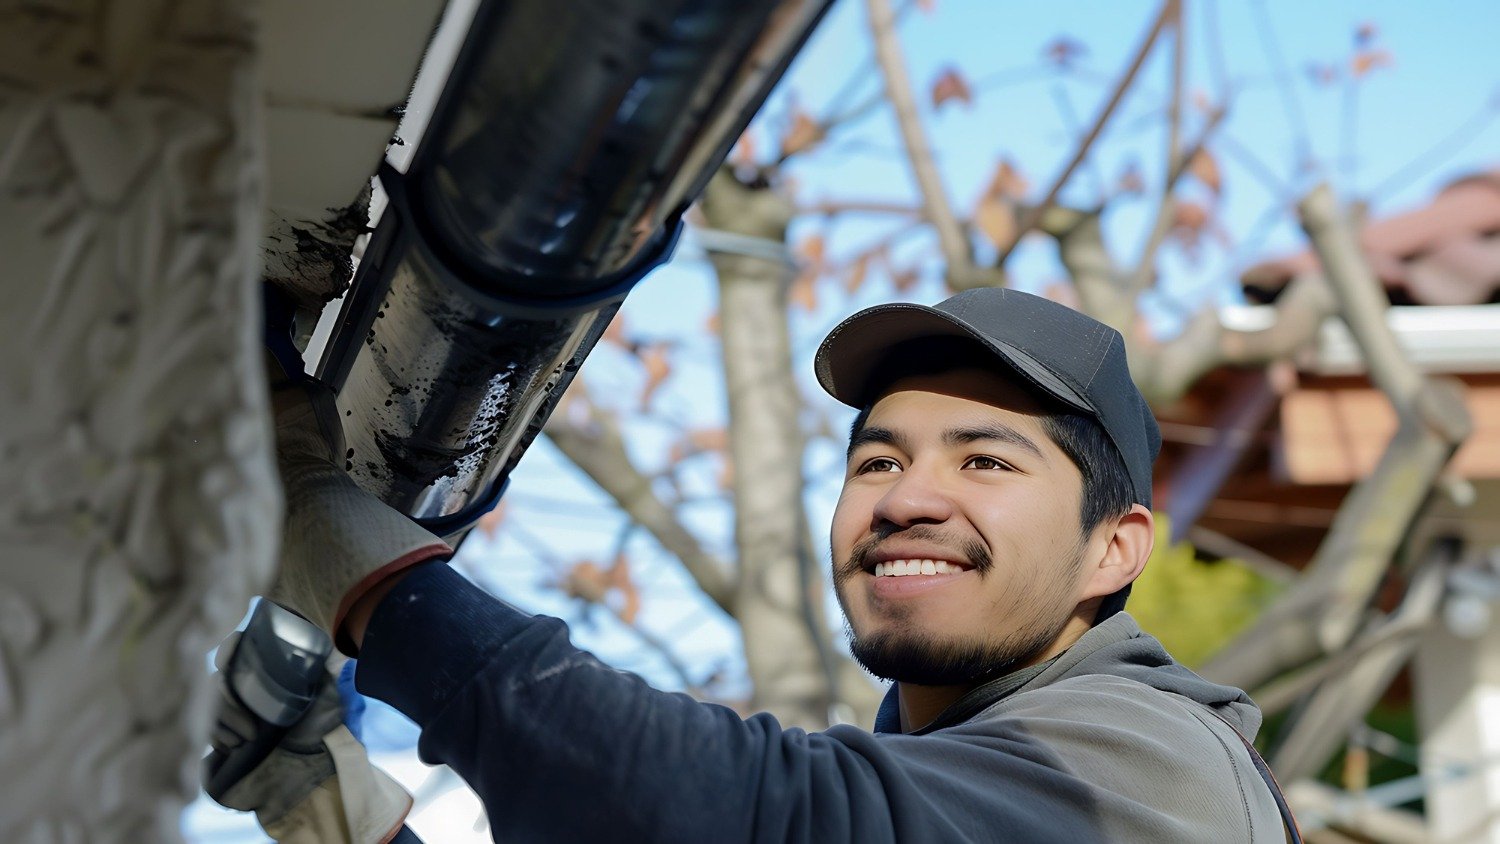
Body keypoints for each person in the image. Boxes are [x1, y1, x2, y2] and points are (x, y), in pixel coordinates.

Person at [217, 287, 1298, 842]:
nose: (908, 498)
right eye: (878, 459)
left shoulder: (1157, 764)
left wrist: (322, 522)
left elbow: (738, 814)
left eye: (986, 458)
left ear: (1116, 549)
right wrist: (329, 803)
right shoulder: (941, 784)